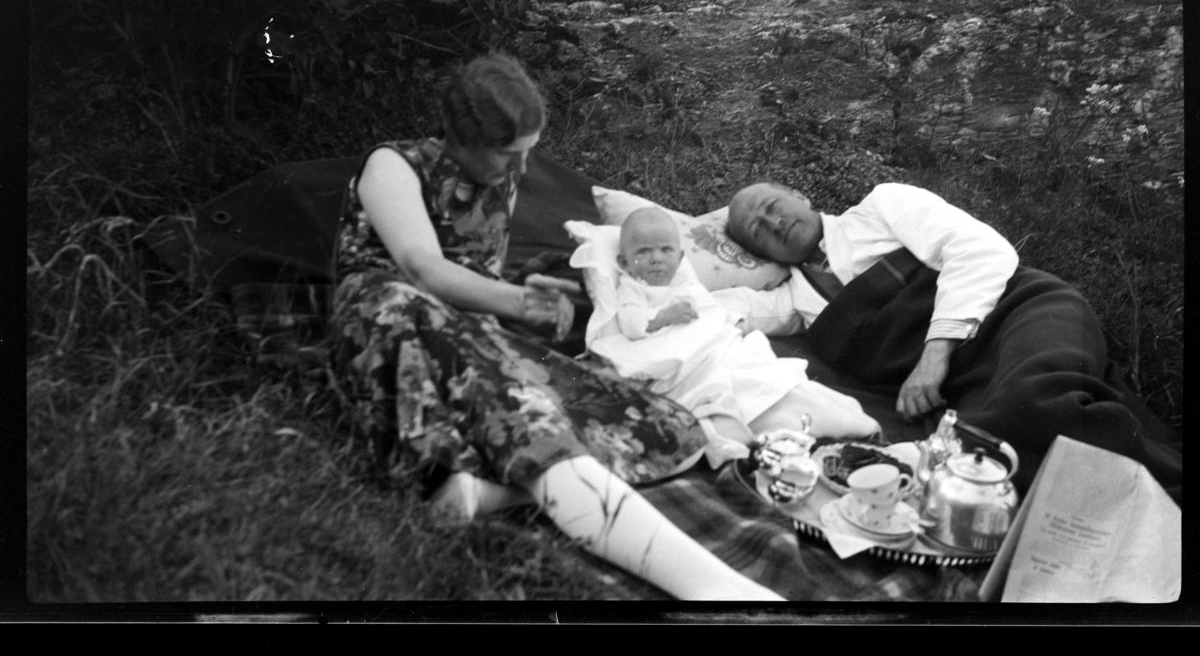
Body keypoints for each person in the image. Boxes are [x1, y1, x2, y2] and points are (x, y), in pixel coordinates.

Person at [329, 53, 784, 600]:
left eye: (528, 154)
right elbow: (422, 267)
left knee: (666, 429)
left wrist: (528, 302)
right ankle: (718, 593)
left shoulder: (501, 183)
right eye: (508, 155)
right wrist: (516, 302)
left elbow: (475, 284)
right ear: (462, 137)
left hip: (458, 331)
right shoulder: (393, 165)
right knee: (527, 414)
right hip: (390, 317)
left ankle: (479, 494)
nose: (520, 170)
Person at [720, 181, 1182, 499]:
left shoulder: (880, 208)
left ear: (798, 196)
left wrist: (933, 354)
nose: (773, 222)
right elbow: (711, 308)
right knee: (985, 436)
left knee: (1038, 397)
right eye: (758, 230)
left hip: (1016, 310)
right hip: (964, 375)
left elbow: (979, 249)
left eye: (772, 206)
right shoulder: (794, 300)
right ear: (760, 254)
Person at [601, 206, 879, 466]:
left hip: (719, 349)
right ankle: (777, 430)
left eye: (665, 250)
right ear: (624, 262)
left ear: (681, 257)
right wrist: (663, 317)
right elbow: (633, 323)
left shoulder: (686, 283)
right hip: (685, 365)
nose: (656, 259)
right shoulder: (634, 288)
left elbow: (717, 314)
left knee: (774, 379)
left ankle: (841, 421)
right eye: (643, 252)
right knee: (736, 393)